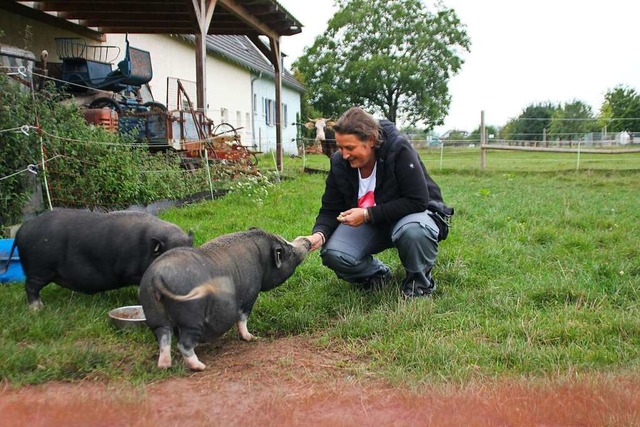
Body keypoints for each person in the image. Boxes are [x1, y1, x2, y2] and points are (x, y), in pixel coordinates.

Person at [304, 107, 453, 298]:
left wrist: (367, 214)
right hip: (374, 221)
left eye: (350, 148)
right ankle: (378, 276)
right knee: (334, 253)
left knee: (414, 231)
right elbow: (330, 208)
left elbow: (417, 200)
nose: (344, 154)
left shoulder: (399, 150)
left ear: (371, 141)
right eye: (341, 147)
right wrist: (320, 234)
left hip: (413, 214)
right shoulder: (339, 163)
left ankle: (419, 285)